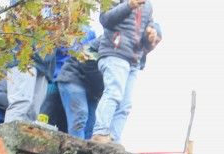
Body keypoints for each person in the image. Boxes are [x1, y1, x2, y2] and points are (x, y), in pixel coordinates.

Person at [91, 0, 160, 145]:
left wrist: (150, 34)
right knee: (113, 93)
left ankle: (114, 139)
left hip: (133, 60)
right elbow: (105, 19)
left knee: (125, 104)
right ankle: (100, 132)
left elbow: (148, 27)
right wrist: (128, 5)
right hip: (115, 52)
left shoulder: (148, 6)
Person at [57, 28, 104, 139]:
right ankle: (76, 150)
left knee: (91, 125)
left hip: (92, 88)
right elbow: (87, 62)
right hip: (73, 77)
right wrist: (102, 88)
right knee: (79, 115)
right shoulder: (104, 42)